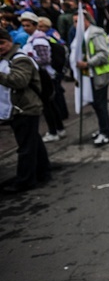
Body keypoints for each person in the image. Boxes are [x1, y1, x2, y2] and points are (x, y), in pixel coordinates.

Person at [0, 28, 51, 194]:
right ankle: (43, 172)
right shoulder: (7, 58)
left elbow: (19, 81)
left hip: (26, 108)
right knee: (33, 141)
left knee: (26, 146)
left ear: (9, 41)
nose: (0, 47)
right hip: (19, 108)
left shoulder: (20, 59)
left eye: (2, 43)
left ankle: (25, 180)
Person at [20, 11, 66, 143]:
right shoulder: (34, 39)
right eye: (23, 25)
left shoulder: (39, 40)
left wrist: (29, 59)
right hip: (43, 76)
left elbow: (45, 59)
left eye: (28, 25)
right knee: (51, 104)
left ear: (35, 25)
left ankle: (54, 131)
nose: (25, 28)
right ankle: (59, 129)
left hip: (45, 77)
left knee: (48, 106)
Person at [78, 11, 109, 146]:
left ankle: (106, 132)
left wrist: (87, 63)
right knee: (96, 104)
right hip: (91, 74)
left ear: (86, 20)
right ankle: (102, 129)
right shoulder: (84, 34)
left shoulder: (95, 33)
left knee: (100, 104)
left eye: (78, 21)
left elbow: (103, 54)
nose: (75, 25)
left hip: (100, 74)